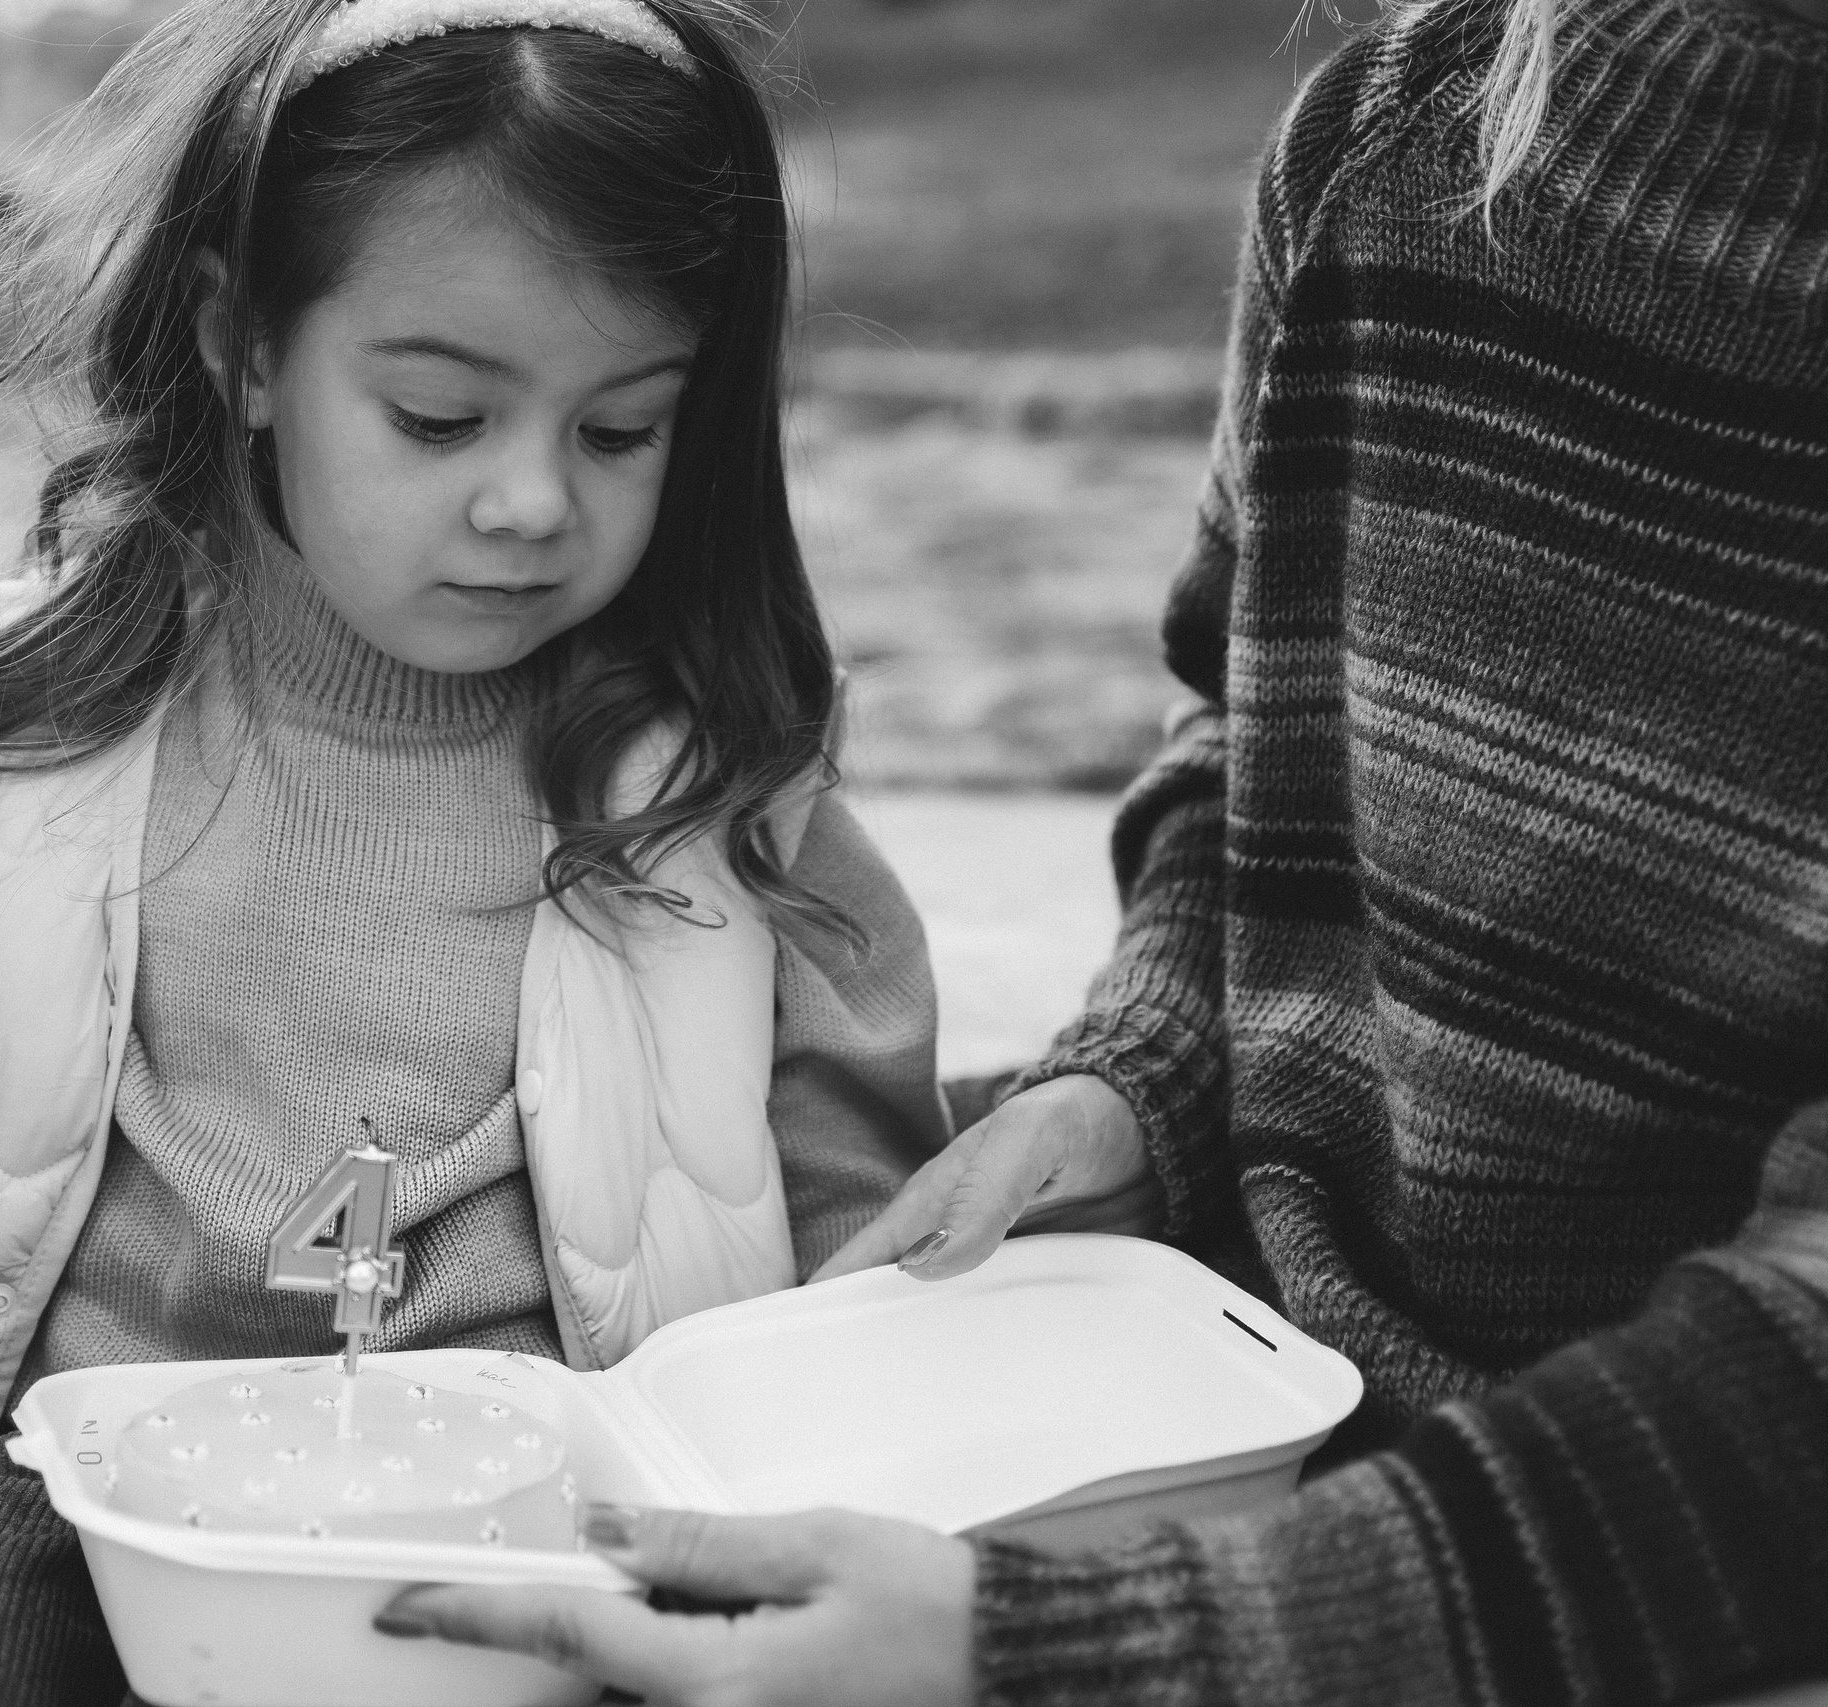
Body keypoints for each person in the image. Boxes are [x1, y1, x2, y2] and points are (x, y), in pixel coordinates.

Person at [376, 0, 1828, 1699]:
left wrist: (1071, 1655)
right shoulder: (1391, 138)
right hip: (1261, 1418)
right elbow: (1261, 733)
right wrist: (1153, 1084)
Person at [0, 0, 950, 1697]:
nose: (533, 502)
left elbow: (854, 1221)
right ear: (242, 346)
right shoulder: (34, 729)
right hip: (91, 1511)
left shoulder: (712, 792)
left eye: (618, 429)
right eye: (439, 419)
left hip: (546, 1516)